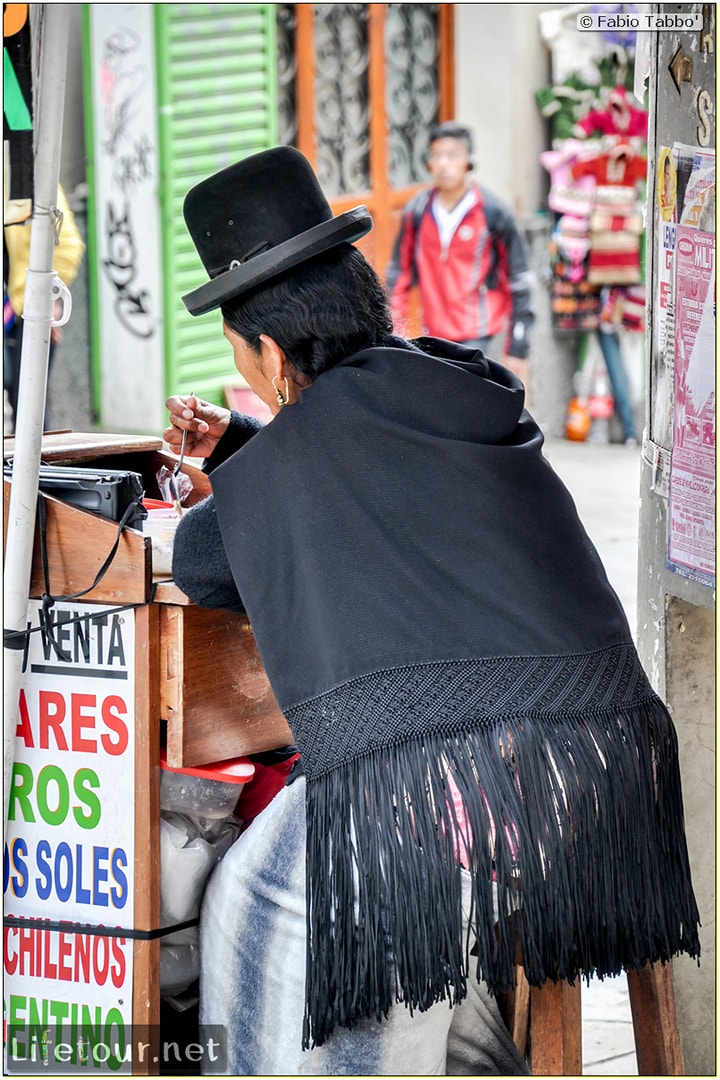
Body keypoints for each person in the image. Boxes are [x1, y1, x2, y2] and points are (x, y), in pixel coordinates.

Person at [163, 147, 700, 1075]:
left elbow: (200, 561)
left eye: (243, 360)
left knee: (261, 897)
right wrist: (255, 443)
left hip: (458, 796)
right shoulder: (455, 384)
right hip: (596, 778)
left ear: (273, 354)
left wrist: (249, 462)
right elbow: (372, 468)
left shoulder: (301, 455)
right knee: (400, 904)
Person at [386, 121, 534, 389]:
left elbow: (520, 280)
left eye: (452, 155)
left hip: (480, 336)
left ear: (469, 161)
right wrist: (394, 331)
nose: (443, 163)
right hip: (433, 334)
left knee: (479, 411)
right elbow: (399, 274)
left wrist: (518, 345)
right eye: (436, 155)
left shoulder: (494, 212)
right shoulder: (416, 212)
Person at [4, 184, 85, 431]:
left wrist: (47, 299)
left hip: (20, 312)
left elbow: (69, 247)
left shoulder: (27, 173)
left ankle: (37, 468)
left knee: (29, 407)